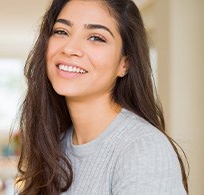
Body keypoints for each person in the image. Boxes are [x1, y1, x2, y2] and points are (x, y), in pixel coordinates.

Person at [14, 0, 188, 194]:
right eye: (61, 31)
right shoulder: (56, 145)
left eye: (96, 37)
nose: (69, 48)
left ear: (125, 63)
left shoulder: (143, 150)